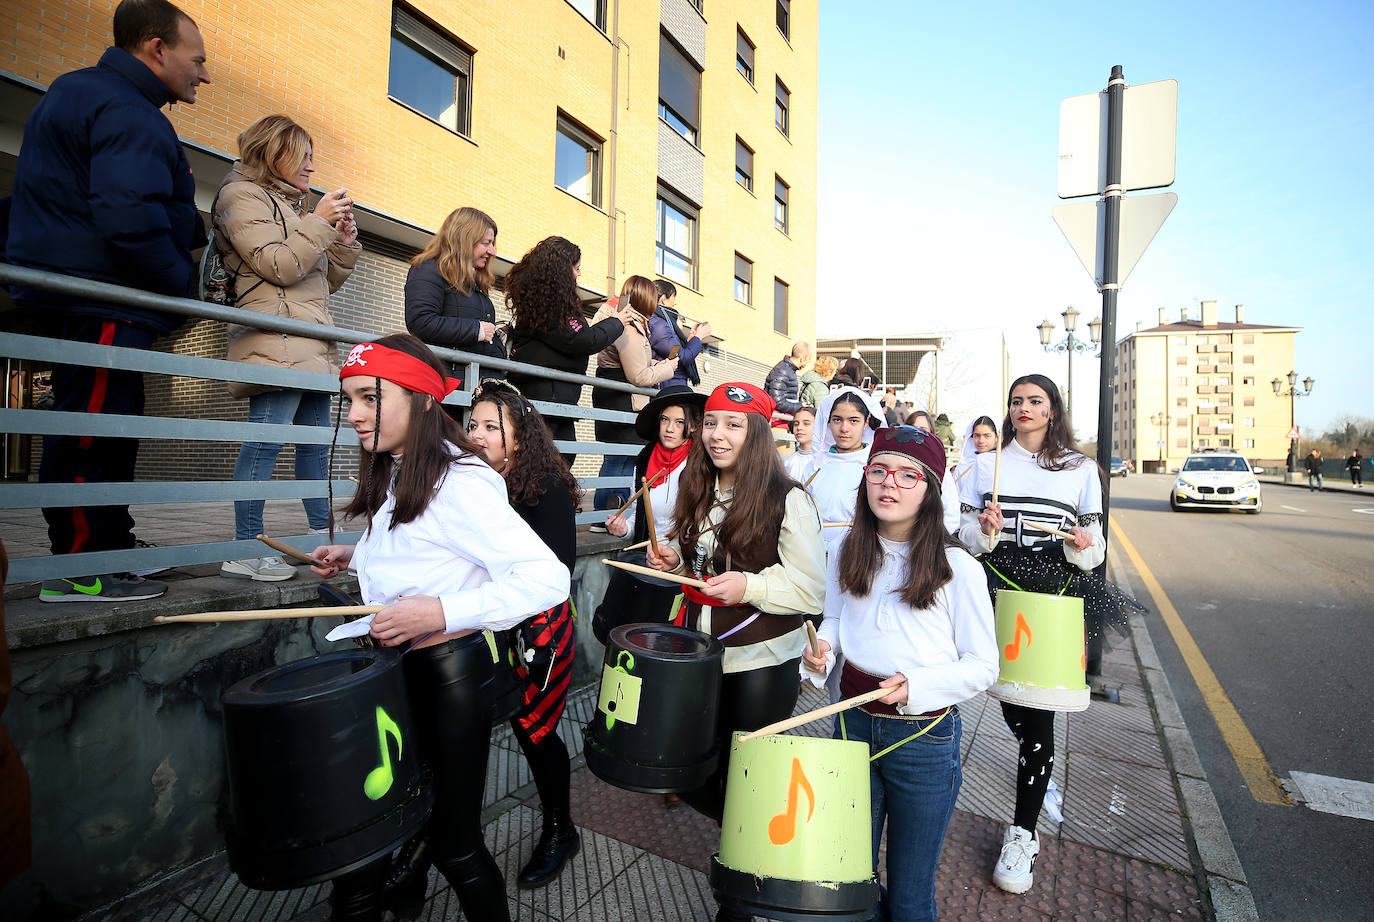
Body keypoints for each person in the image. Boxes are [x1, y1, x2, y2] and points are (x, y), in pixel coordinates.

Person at [308, 334, 568, 922]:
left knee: (454, 842)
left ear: (423, 399)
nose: (355, 415)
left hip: (447, 675)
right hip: (397, 672)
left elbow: (548, 579)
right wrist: (359, 557)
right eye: (349, 400)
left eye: (370, 398)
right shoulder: (403, 468)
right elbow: (428, 551)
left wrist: (440, 612)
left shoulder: (462, 482)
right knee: (383, 840)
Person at [10, 0, 211, 602]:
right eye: (196, 60)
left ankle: (109, 545)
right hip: (104, 300)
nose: (204, 75)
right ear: (156, 49)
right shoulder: (127, 109)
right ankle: (80, 567)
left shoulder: (90, 95)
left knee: (108, 426)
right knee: (91, 431)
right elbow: (130, 217)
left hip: (98, 296)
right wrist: (180, 286)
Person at [801, 427, 997, 922]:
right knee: (851, 882)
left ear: (931, 489)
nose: (890, 484)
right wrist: (823, 648)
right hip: (851, 726)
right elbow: (838, 618)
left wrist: (919, 686)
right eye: (880, 472)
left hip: (925, 738)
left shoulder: (959, 567)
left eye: (909, 475)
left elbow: (983, 665)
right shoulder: (848, 547)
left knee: (910, 897)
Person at [647, 383, 825, 911]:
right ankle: (766, 845)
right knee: (690, 768)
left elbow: (810, 589)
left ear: (758, 434)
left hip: (760, 662)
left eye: (733, 424)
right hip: (700, 654)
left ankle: (744, 889)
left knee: (746, 775)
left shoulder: (789, 498)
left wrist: (750, 587)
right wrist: (676, 565)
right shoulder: (696, 486)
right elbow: (700, 568)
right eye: (712, 422)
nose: (717, 434)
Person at [957, 373, 1134, 896]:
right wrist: (984, 531)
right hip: (995, 590)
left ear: (1053, 409)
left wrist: (1083, 542)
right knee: (1008, 705)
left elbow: (1094, 548)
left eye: (1035, 401)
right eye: (1016, 401)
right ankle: (1038, 768)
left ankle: (1024, 831)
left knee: (1037, 714)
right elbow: (966, 536)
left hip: (1054, 596)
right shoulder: (984, 466)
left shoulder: (1081, 469)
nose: (1024, 408)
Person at [214, 114, 360, 581]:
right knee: (265, 443)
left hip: (310, 343)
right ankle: (244, 547)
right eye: (305, 157)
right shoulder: (241, 196)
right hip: (273, 341)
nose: (312, 169)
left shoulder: (291, 207)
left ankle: (325, 542)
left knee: (316, 450)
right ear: (274, 152)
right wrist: (317, 222)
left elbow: (323, 283)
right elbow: (279, 266)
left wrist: (341, 244)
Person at [464, 380, 581, 889]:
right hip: (483, 625)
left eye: (492, 426)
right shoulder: (469, 483)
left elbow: (558, 570)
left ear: (521, 437)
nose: (478, 435)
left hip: (540, 627)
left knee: (533, 731)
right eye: (472, 425)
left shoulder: (547, 487)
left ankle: (561, 828)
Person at [595, 385, 707, 640]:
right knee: (628, 639)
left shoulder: (700, 467)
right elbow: (638, 518)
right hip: (645, 569)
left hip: (681, 570)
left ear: (690, 426)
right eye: (665, 420)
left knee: (664, 643)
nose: (669, 428)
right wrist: (624, 529)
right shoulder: (644, 461)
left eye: (679, 422)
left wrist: (676, 553)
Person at [506, 237, 625, 460]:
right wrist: (617, 321)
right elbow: (584, 340)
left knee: (559, 460)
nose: (579, 274)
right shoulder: (553, 307)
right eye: (576, 268)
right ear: (562, 270)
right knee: (552, 463)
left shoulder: (544, 304)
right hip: (547, 403)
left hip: (553, 401)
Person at [590, 276, 679, 514]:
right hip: (622, 402)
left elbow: (635, 363)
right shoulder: (629, 328)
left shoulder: (629, 323)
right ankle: (604, 516)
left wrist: (656, 363)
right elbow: (638, 376)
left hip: (618, 399)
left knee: (623, 459)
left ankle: (613, 514)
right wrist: (667, 368)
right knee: (618, 459)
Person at [404, 206, 506, 384]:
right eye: (485, 243)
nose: (492, 251)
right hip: (444, 385)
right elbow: (421, 322)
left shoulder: (475, 282)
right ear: (464, 239)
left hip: (473, 385)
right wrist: (477, 330)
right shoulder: (429, 268)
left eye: (492, 244)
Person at [807, 387, 887, 548]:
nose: (844, 428)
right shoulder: (816, 465)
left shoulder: (874, 467)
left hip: (859, 550)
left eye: (853, 420)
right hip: (815, 551)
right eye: (837, 419)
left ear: (866, 423)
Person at [907, 410, 961, 535]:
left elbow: (951, 512)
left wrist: (937, 538)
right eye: (912, 428)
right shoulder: (895, 462)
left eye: (923, 429)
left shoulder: (939, 467)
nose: (917, 433)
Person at [651, 279, 709, 389]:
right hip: (669, 384)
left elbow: (673, 353)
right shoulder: (659, 324)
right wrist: (698, 337)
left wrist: (690, 341)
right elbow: (682, 357)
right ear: (663, 299)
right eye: (673, 297)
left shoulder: (661, 322)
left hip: (672, 382)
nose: (675, 302)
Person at [764, 342, 810, 425]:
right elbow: (777, 401)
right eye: (808, 360)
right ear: (802, 359)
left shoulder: (786, 370)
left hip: (781, 417)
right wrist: (800, 407)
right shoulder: (783, 371)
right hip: (778, 420)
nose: (806, 364)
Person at [782, 405, 819, 484]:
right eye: (796, 424)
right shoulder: (788, 462)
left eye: (806, 424)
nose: (799, 428)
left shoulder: (824, 461)